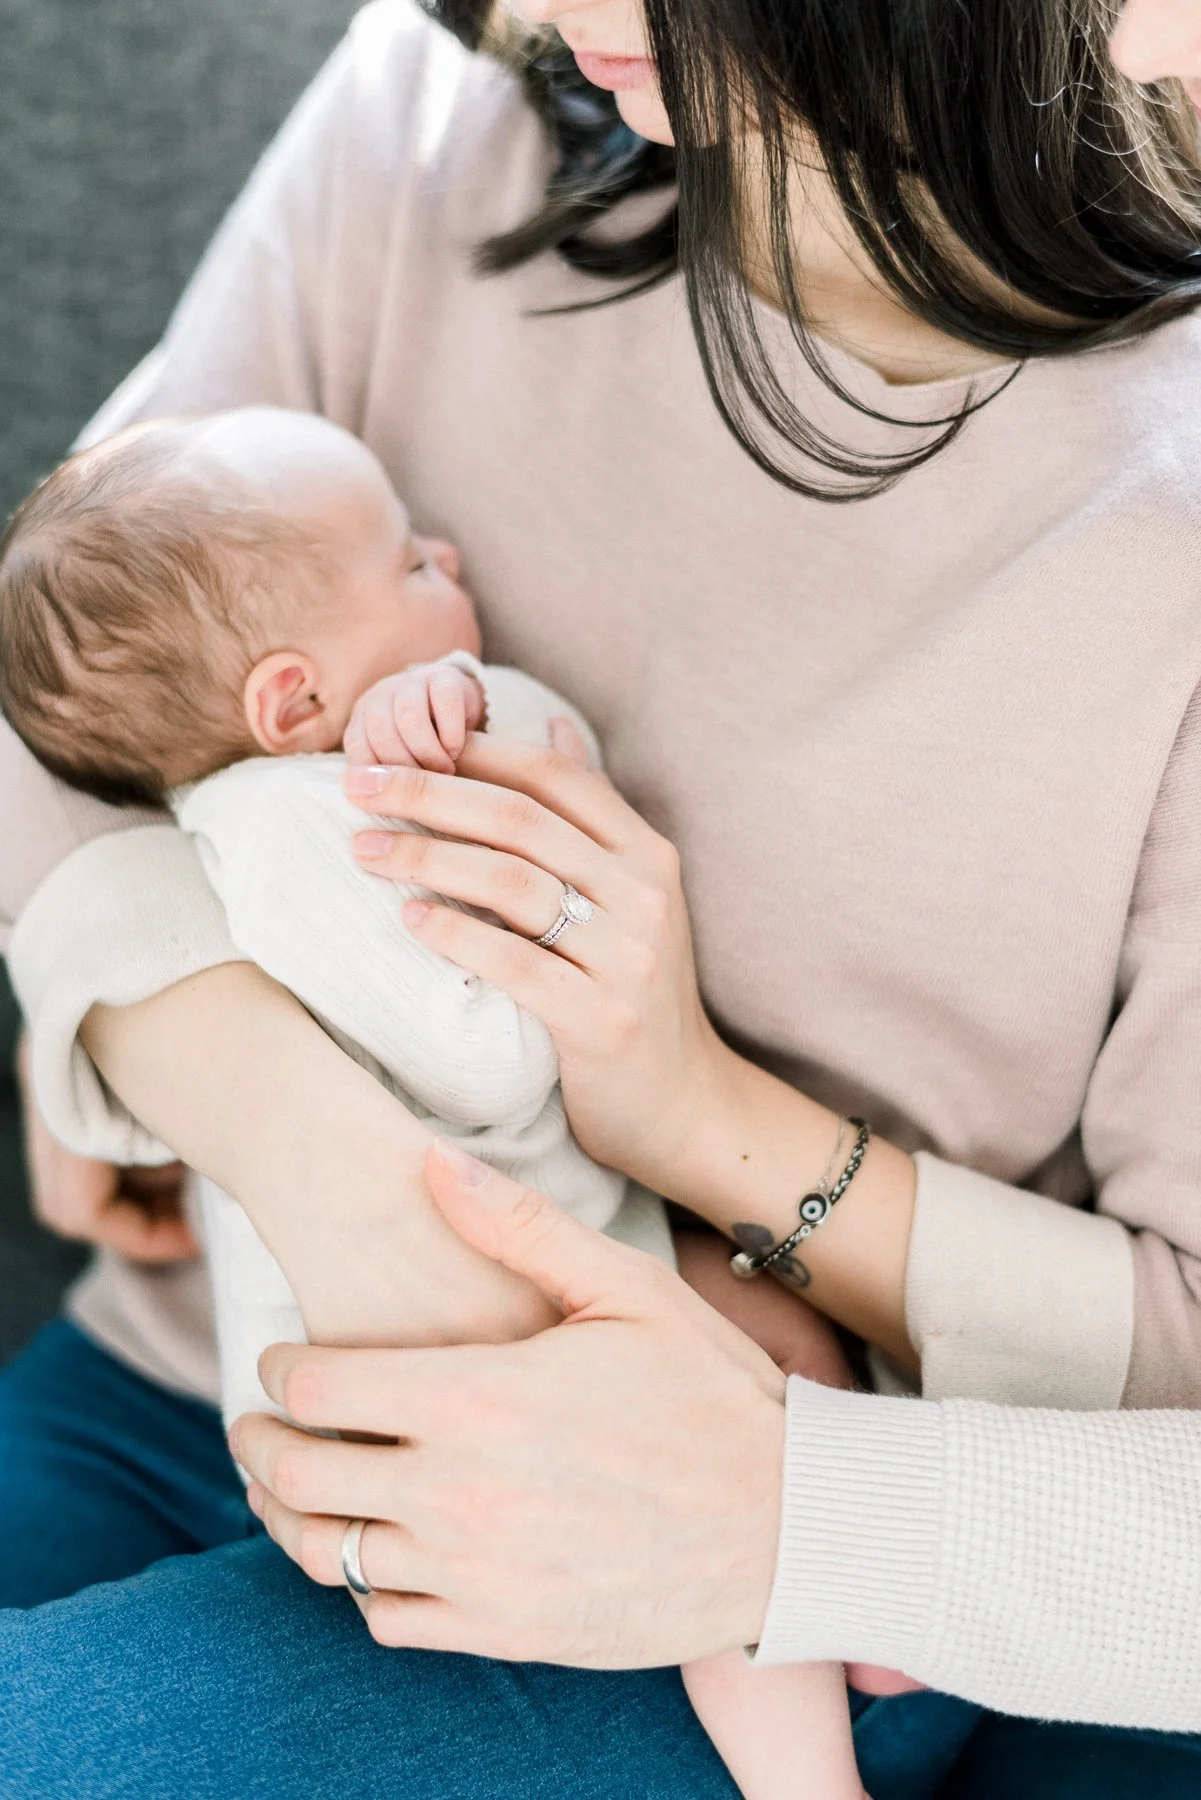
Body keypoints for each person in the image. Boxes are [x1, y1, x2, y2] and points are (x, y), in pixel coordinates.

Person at [2, 1, 1201, 1795]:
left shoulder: (1160, 513)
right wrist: (294, 1140)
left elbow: (1179, 1362)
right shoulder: (449, 100)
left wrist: (693, 1111)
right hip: (198, 1369)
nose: (524, 7)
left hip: (699, 1487)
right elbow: (63, 671)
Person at [1, 404, 905, 1799]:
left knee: (769, 1389)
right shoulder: (303, 826)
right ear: (290, 703)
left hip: (496, 1326)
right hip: (452, 1371)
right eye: (412, 565)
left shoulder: (308, 791)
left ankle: (859, 1602)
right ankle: (815, 1753)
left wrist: (465, 722)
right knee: (737, 1484)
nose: (452, 557)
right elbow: (485, 1058)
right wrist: (581, 958)